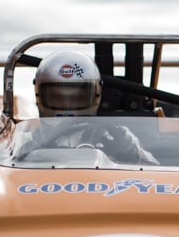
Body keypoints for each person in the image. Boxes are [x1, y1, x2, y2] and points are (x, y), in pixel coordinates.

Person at [21, 51, 158, 165]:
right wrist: (36, 149)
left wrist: (130, 153)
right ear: (39, 95)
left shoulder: (116, 135)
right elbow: (10, 169)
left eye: (77, 97)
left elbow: (155, 169)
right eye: (58, 97)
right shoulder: (29, 139)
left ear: (96, 95)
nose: (68, 105)